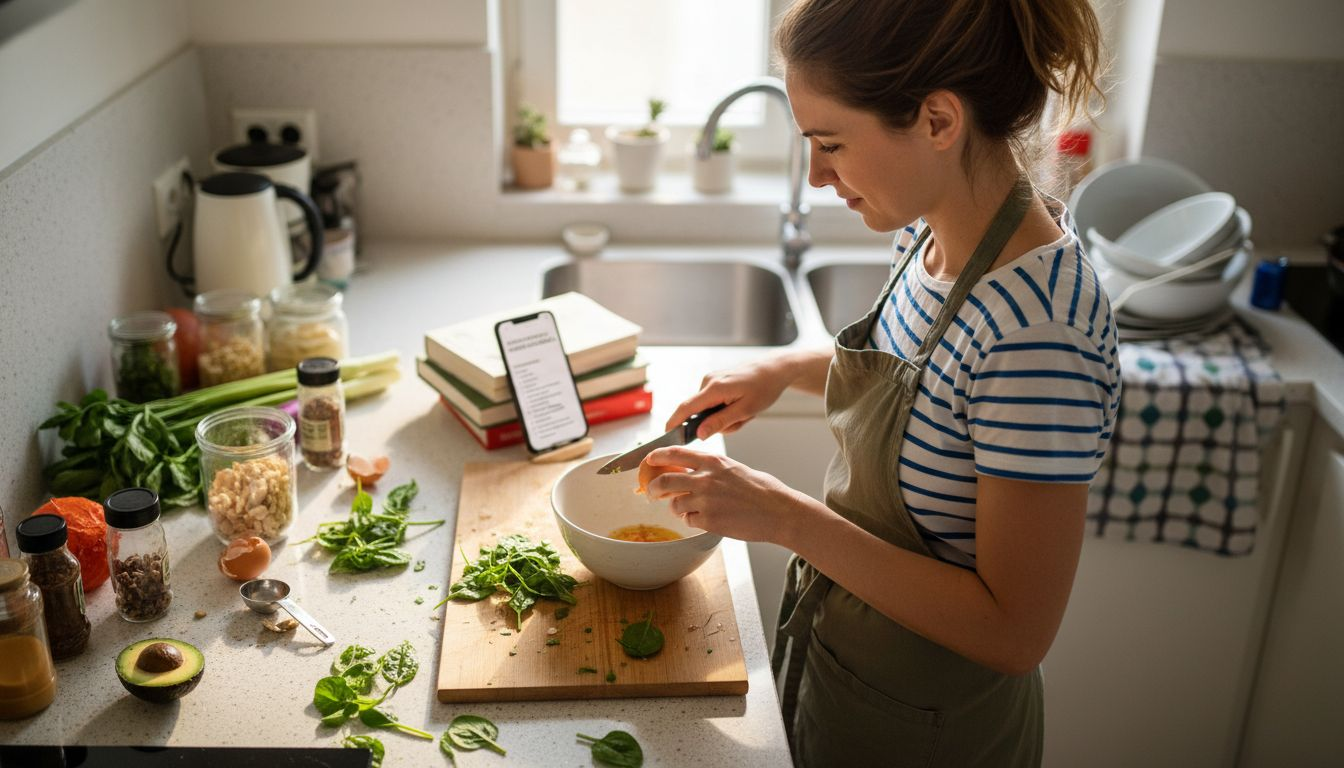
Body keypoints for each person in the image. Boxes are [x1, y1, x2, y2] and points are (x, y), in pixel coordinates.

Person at [641, 1, 1117, 765]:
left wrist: (784, 516)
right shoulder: (928, 234)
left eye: (831, 143)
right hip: (850, 681)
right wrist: (780, 372)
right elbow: (922, 382)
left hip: (936, 732)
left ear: (937, 121)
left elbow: (1014, 632)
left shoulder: (1038, 329)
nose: (817, 175)